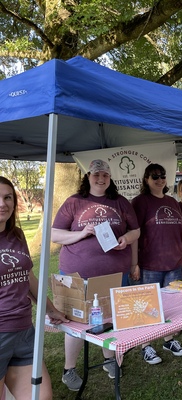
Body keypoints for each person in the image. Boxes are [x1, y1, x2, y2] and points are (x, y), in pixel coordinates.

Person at [51, 160, 140, 391]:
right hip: (77, 274)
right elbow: (54, 234)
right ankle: (69, 370)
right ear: (88, 176)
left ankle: (109, 360)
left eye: (105, 175)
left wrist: (125, 240)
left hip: (113, 274)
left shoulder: (120, 202)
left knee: (109, 319)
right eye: (96, 174)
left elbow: (136, 230)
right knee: (76, 322)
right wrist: (81, 234)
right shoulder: (74, 202)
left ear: (110, 178)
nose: (101, 179)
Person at [0, 176, 68, 400]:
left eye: (7, 197)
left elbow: (28, 278)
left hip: (24, 333)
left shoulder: (17, 236)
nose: (3, 203)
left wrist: (50, 310)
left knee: (41, 397)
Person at [131, 163, 182, 365]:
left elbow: (181, 230)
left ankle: (169, 340)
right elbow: (134, 234)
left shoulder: (172, 201)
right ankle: (145, 345)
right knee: (147, 306)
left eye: (162, 176)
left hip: (174, 262)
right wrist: (134, 263)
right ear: (146, 180)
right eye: (154, 176)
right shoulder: (139, 202)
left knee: (171, 304)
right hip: (149, 264)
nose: (159, 179)